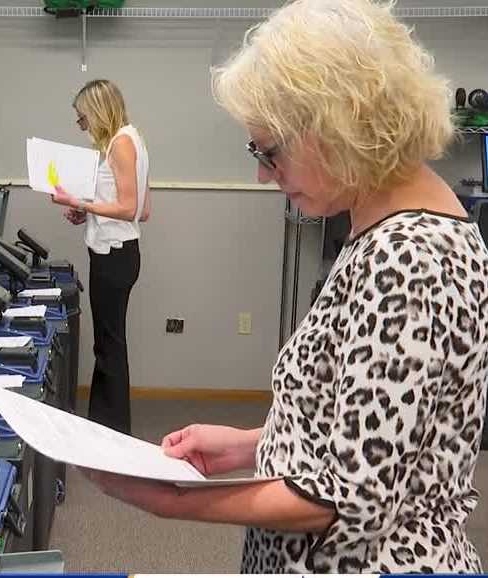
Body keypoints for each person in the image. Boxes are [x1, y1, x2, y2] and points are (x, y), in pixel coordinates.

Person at [81, 0, 488, 573]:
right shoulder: (385, 232)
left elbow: (354, 498)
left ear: (338, 126)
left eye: (269, 152)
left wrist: (174, 501)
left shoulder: (409, 259)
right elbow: (375, 432)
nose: (261, 174)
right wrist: (255, 444)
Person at [51, 79, 150, 435]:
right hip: (121, 253)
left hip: (113, 255)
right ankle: (106, 426)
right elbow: (144, 209)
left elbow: (128, 207)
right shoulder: (132, 139)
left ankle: (111, 431)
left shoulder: (120, 144)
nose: (83, 126)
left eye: (82, 118)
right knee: (109, 342)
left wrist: (78, 202)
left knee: (109, 345)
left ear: (97, 110)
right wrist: (90, 212)